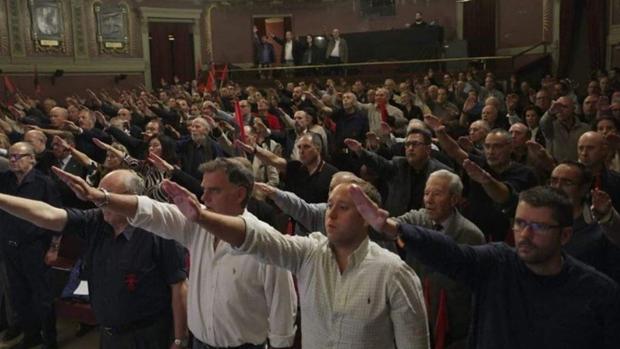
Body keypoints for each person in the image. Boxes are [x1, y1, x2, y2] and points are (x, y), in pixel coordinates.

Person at [53, 159, 298, 349]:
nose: (204, 198)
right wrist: (102, 198)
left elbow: (283, 312)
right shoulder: (197, 226)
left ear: (240, 194)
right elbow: (153, 211)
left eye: (214, 191)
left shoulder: (266, 242)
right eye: (203, 190)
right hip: (199, 343)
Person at [351, 184, 620, 349]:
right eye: (520, 223)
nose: (524, 234)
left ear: (565, 236)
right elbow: (450, 253)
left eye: (538, 227)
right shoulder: (498, 263)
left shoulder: (598, 293)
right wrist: (393, 228)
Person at [0, 169, 189, 349]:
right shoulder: (96, 221)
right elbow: (49, 214)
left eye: (106, 196)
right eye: (99, 194)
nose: (99, 202)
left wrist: (180, 339)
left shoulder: (159, 231)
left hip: (148, 335)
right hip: (108, 334)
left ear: (131, 198)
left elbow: (179, 286)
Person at [0, 142, 61, 349]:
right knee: (19, 295)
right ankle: (31, 336)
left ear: (32, 159)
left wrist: (54, 248)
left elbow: (57, 219)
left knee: (42, 296)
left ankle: (50, 340)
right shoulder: (5, 180)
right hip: (10, 246)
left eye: (19, 156)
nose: (13, 160)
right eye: (11, 156)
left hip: (35, 247)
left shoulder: (44, 184)